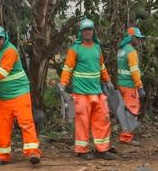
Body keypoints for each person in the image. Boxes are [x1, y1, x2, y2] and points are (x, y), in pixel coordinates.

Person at [0, 24, 41, 165]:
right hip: (2, 95)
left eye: (0, 38)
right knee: (1, 125)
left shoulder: (10, 50)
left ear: (5, 37)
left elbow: (2, 73)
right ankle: (2, 156)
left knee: (26, 123)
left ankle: (33, 153)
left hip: (19, 92)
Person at [61, 18, 114, 158]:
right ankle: (82, 150)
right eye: (85, 30)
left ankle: (102, 149)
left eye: (89, 29)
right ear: (81, 32)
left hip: (97, 92)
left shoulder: (97, 48)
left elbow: (101, 66)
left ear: (93, 31)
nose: (87, 32)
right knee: (82, 122)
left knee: (102, 120)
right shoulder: (75, 49)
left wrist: (107, 80)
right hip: (81, 93)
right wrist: (63, 84)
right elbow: (68, 68)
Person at [114, 25, 145, 145]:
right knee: (131, 111)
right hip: (129, 86)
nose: (139, 40)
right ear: (132, 38)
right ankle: (126, 137)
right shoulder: (131, 52)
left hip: (121, 84)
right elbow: (134, 71)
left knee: (124, 110)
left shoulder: (121, 50)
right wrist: (140, 87)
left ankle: (125, 134)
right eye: (137, 38)